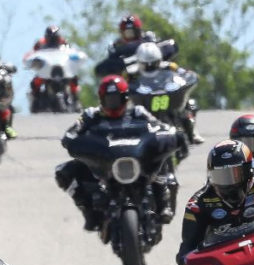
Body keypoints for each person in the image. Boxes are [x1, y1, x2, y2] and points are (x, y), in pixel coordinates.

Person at [55, 75, 182, 231]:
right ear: (101, 99)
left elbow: (160, 126)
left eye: (116, 99)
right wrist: (72, 140)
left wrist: (171, 134)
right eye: (109, 99)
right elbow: (71, 133)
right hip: (104, 164)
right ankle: (89, 211)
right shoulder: (90, 115)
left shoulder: (138, 112)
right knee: (64, 172)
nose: (112, 103)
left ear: (125, 98)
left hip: (137, 161)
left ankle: (163, 202)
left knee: (161, 156)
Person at [131, 42, 204, 144]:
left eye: (154, 63)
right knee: (129, 109)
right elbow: (121, 83)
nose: (150, 66)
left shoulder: (170, 66)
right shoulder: (131, 72)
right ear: (139, 62)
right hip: (144, 98)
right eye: (146, 64)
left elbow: (184, 73)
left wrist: (188, 78)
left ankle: (193, 132)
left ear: (159, 60)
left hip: (168, 94)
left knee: (188, 103)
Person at [94, 14, 178, 77]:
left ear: (139, 31)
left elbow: (171, 46)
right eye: (128, 33)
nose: (131, 36)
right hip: (132, 85)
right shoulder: (116, 48)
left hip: (157, 77)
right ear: (122, 34)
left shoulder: (149, 40)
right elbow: (101, 69)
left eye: (134, 32)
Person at [29, 24, 80, 109]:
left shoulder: (64, 43)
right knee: (35, 82)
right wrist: (33, 63)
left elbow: (71, 53)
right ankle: (35, 99)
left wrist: (74, 61)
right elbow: (33, 55)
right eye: (50, 38)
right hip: (47, 69)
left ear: (58, 37)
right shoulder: (39, 43)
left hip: (61, 67)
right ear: (46, 37)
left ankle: (75, 99)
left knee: (73, 77)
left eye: (55, 37)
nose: (52, 40)